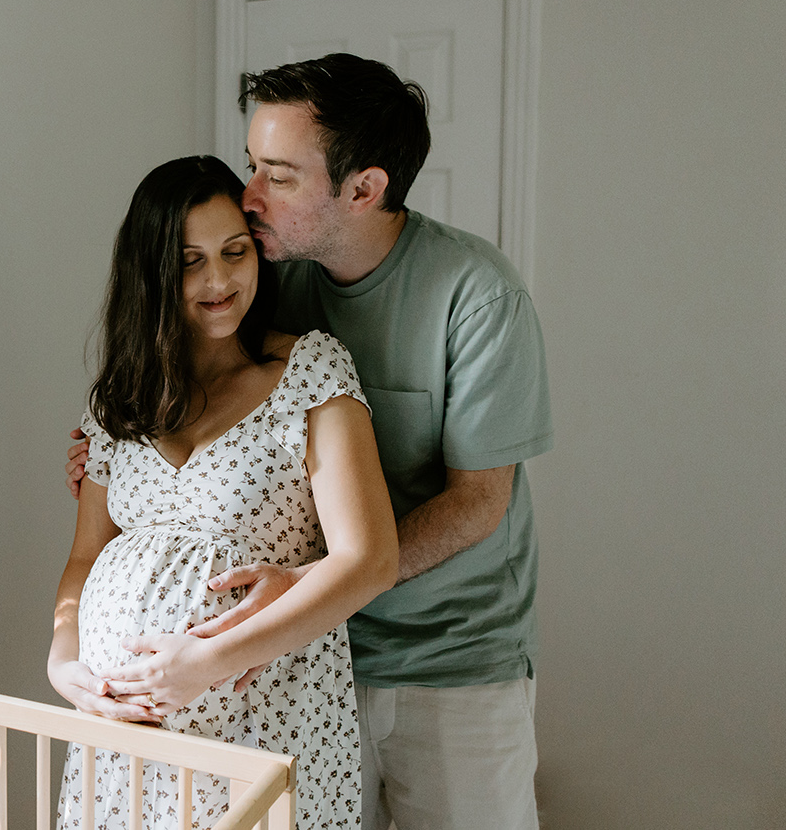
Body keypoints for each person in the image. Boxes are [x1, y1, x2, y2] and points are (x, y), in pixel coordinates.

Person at [66, 55, 553, 830]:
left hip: (447, 658)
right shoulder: (269, 275)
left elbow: (477, 502)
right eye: (254, 164)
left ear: (363, 189)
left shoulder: (479, 297)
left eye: (279, 175)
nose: (250, 195)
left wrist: (307, 580)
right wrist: (117, 456)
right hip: (301, 662)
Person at [49, 155, 398, 829]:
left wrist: (207, 662)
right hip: (126, 744)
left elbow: (371, 558)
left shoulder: (309, 370)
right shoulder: (118, 400)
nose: (219, 280)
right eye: (190, 261)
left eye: (235, 252)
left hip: (265, 725)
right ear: (152, 275)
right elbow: (84, 558)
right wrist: (64, 662)